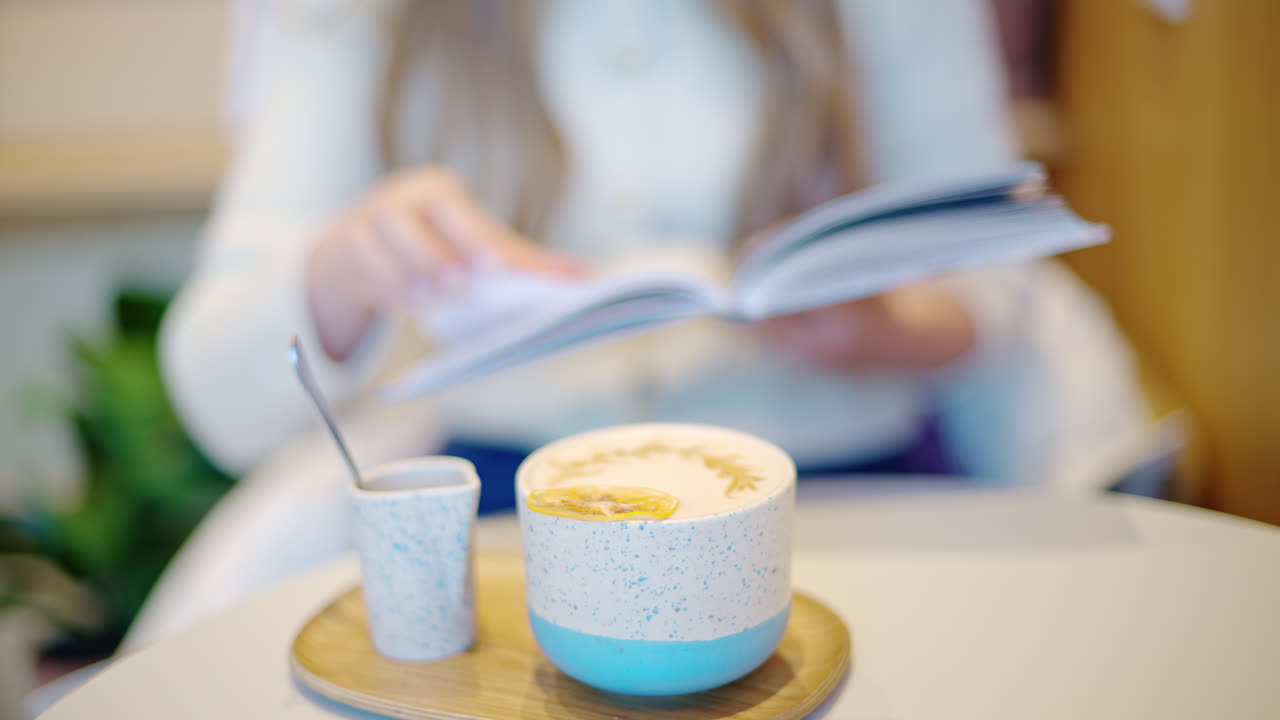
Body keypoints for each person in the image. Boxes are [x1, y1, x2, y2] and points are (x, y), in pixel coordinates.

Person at [124, 0, 1143, 649]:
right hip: (508, 520)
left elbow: (999, 285)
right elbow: (218, 390)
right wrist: (342, 271)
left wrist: (878, 328)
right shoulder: (358, 18)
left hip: (840, 495)